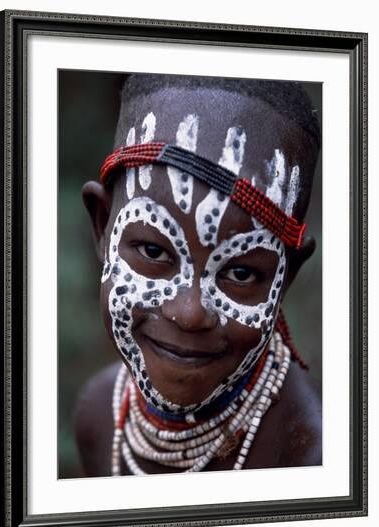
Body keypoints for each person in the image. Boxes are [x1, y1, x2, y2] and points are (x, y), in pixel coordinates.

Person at [74, 73, 322, 477]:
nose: (190, 313)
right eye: (154, 251)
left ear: (285, 277)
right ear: (103, 226)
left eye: (241, 272)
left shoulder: (317, 458)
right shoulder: (98, 413)